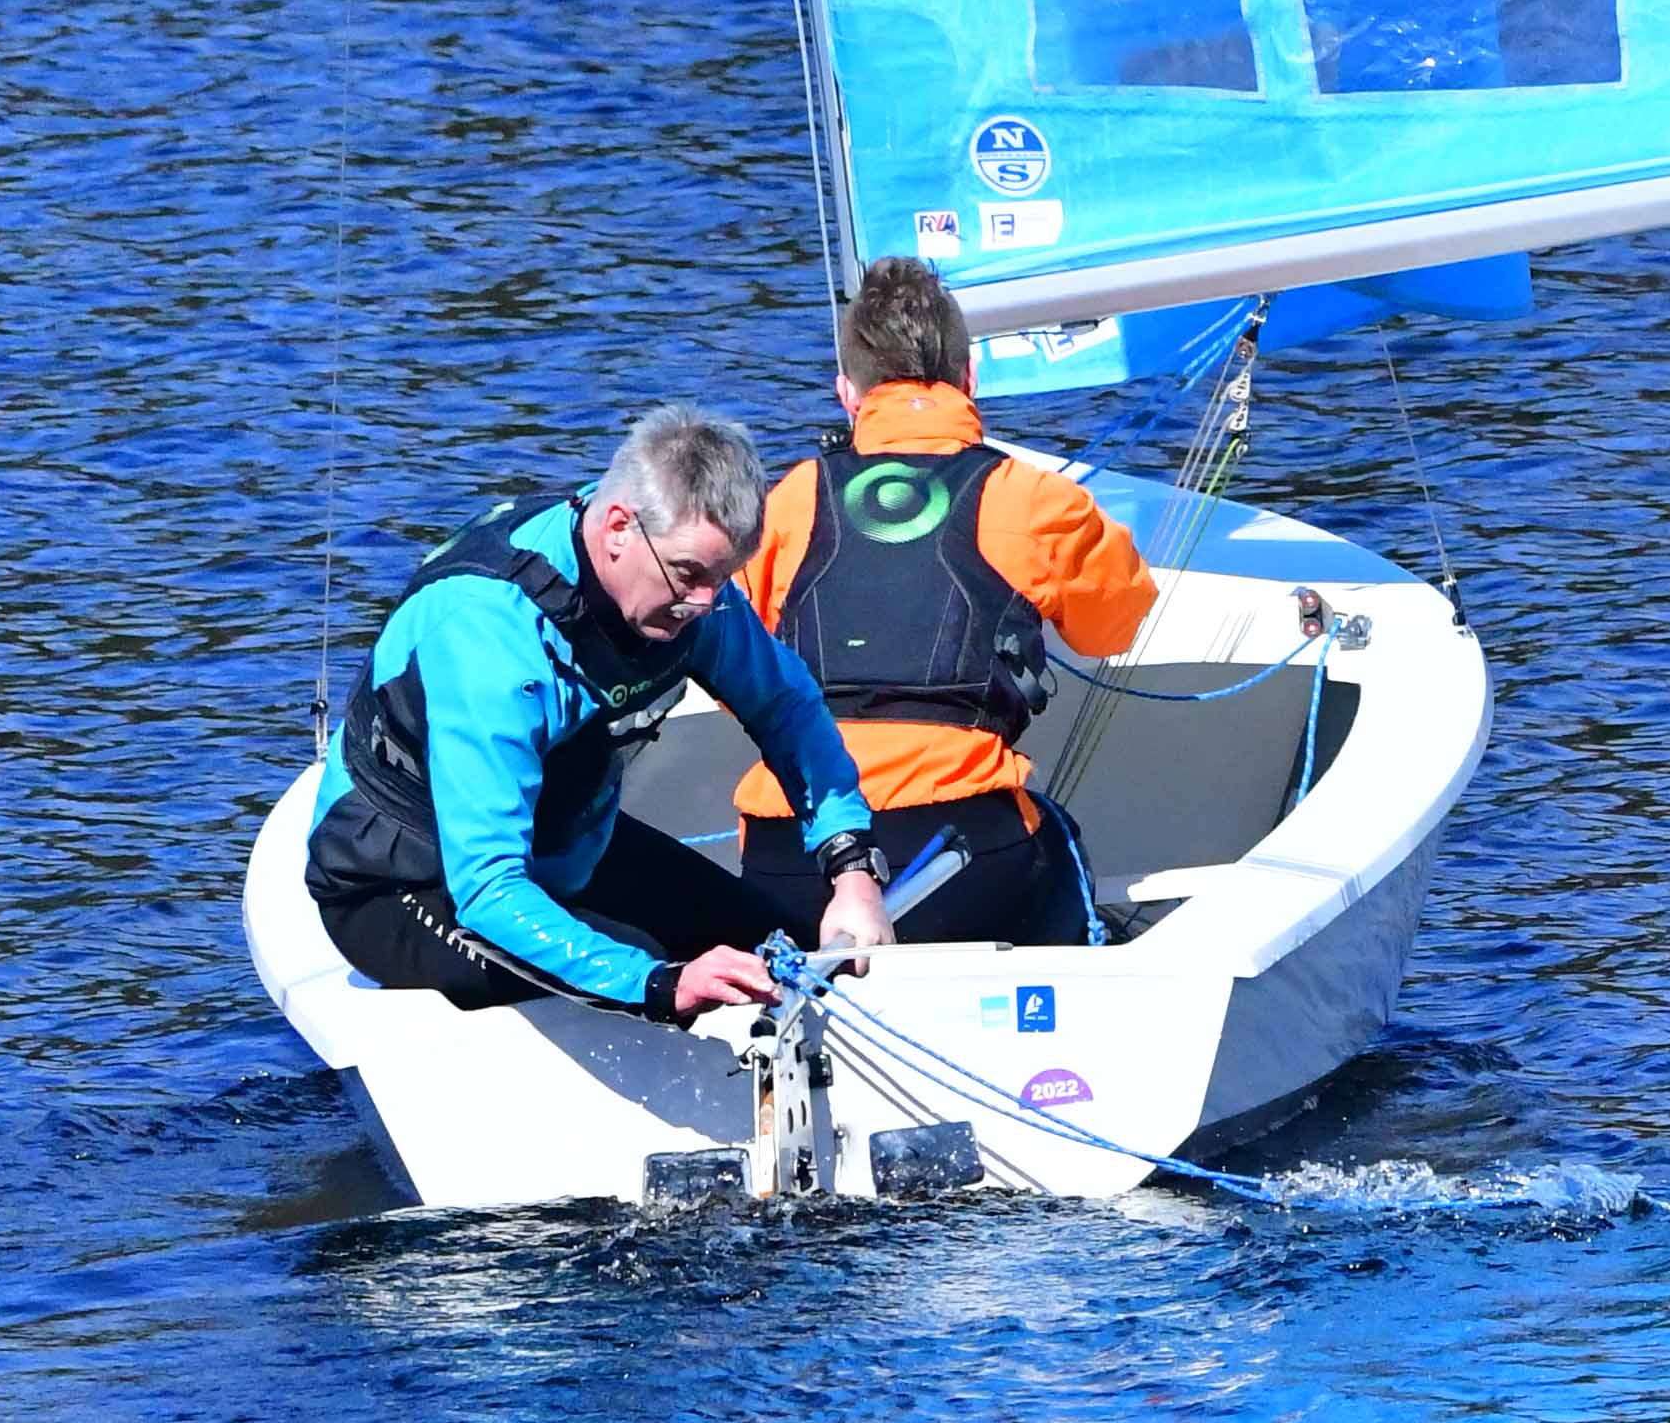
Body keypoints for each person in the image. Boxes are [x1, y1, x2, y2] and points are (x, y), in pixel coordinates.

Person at [307, 401, 893, 1017]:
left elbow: (786, 709)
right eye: (689, 575)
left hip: (566, 845)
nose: (703, 603)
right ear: (618, 528)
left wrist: (851, 865)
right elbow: (487, 886)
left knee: (782, 945)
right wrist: (661, 985)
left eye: (723, 578)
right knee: (652, 973)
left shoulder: (677, 563)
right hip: (410, 880)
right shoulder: (491, 642)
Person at [731, 254, 1159, 947]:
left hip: (790, 849)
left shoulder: (789, 500)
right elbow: (1115, 626)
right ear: (970, 378)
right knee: (1058, 840)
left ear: (847, 394)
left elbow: (735, 677)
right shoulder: (1032, 497)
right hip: (956, 846)